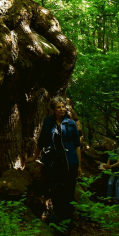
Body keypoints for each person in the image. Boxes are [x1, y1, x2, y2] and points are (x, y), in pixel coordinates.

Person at [37, 96, 82, 227]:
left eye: (63, 107)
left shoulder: (71, 124)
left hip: (70, 162)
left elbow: (77, 145)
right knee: (55, 191)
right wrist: (35, 156)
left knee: (68, 191)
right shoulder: (48, 122)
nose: (62, 109)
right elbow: (42, 141)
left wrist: (79, 165)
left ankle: (67, 221)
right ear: (53, 109)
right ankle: (58, 217)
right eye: (59, 107)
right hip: (53, 162)